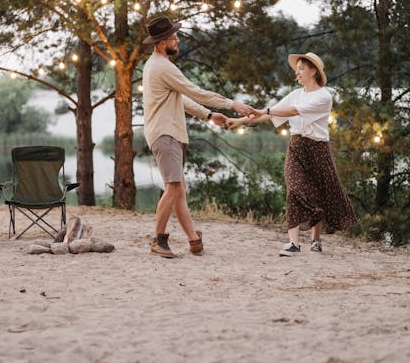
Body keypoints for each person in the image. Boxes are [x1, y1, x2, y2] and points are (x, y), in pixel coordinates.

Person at [142, 16, 256, 258]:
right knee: (173, 187)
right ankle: (158, 240)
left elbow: (180, 98)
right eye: (174, 37)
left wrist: (209, 115)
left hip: (170, 133)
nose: (178, 40)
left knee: (179, 189)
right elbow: (196, 91)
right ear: (162, 42)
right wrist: (231, 104)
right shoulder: (163, 67)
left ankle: (194, 240)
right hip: (165, 133)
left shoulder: (157, 66)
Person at [227, 52, 356, 256]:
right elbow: (271, 112)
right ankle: (293, 243)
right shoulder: (296, 93)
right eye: (297, 68)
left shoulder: (323, 96)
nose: (297, 71)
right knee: (294, 189)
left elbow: (291, 111)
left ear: (314, 71)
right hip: (296, 146)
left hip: (318, 149)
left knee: (321, 191)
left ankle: (316, 238)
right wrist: (239, 121)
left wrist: (266, 111)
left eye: (302, 68)